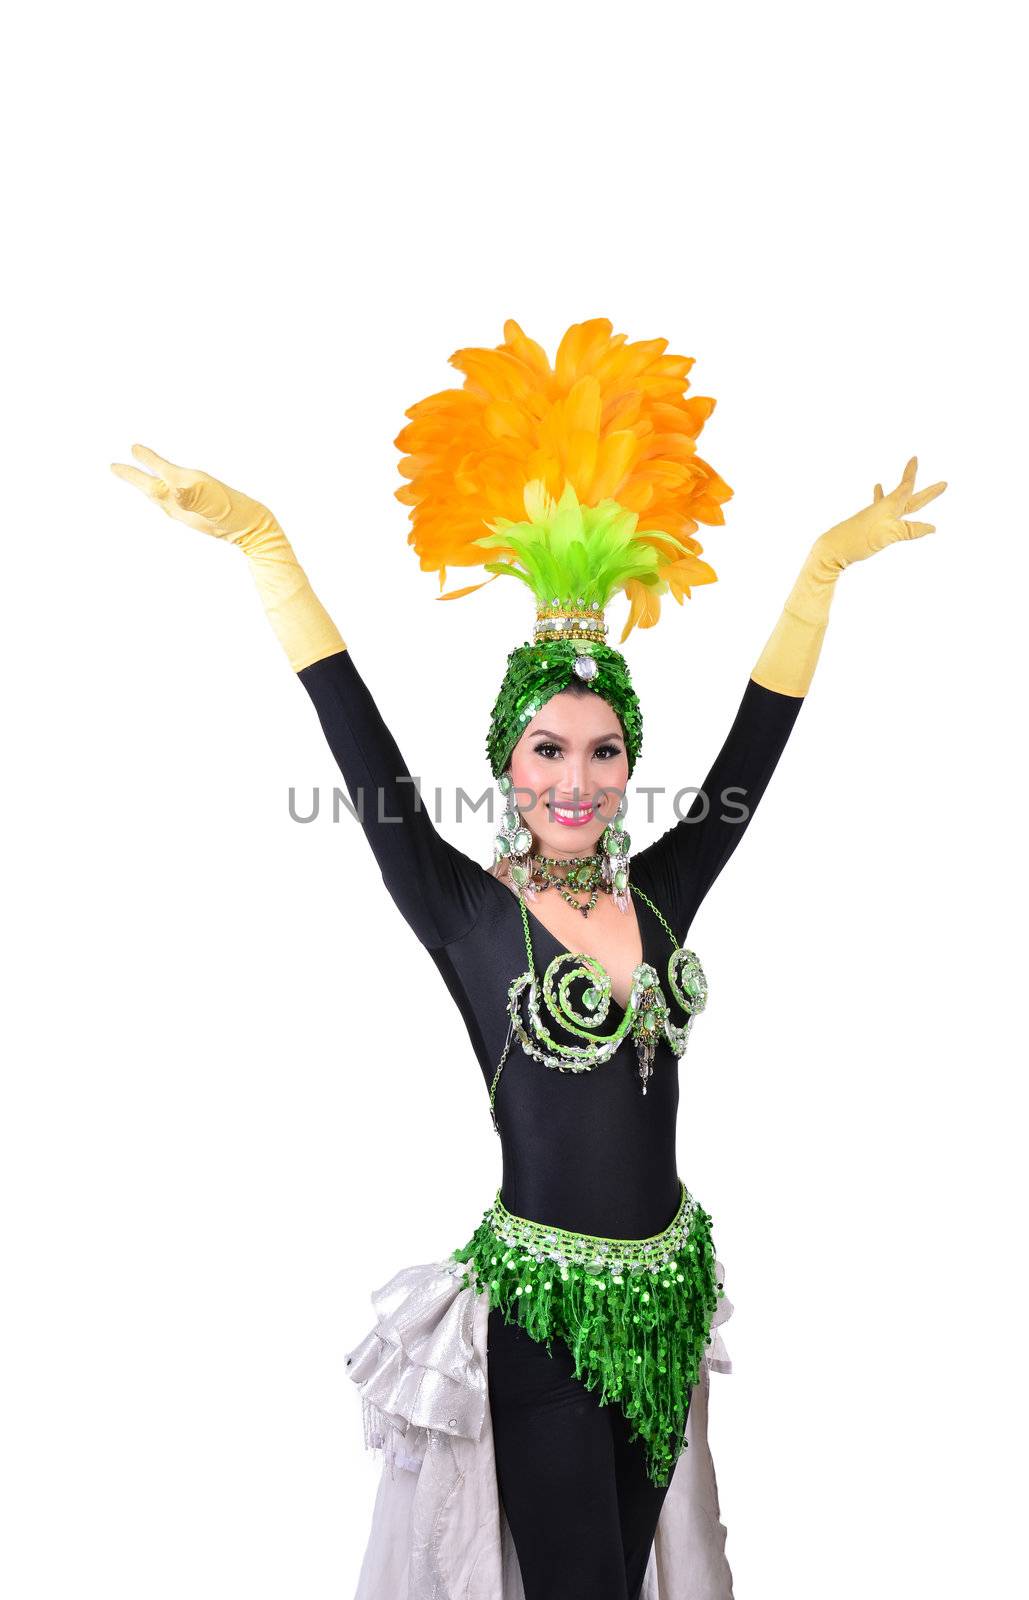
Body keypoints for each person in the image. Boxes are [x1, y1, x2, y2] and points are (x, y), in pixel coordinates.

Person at [111, 316, 946, 1600]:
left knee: (644, 1573)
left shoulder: (665, 890)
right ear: (508, 761)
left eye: (605, 749)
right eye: (548, 748)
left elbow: (754, 751)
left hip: (668, 1308)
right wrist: (266, 548)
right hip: (545, 1325)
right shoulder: (463, 913)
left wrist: (820, 574)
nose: (578, 777)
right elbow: (363, 751)